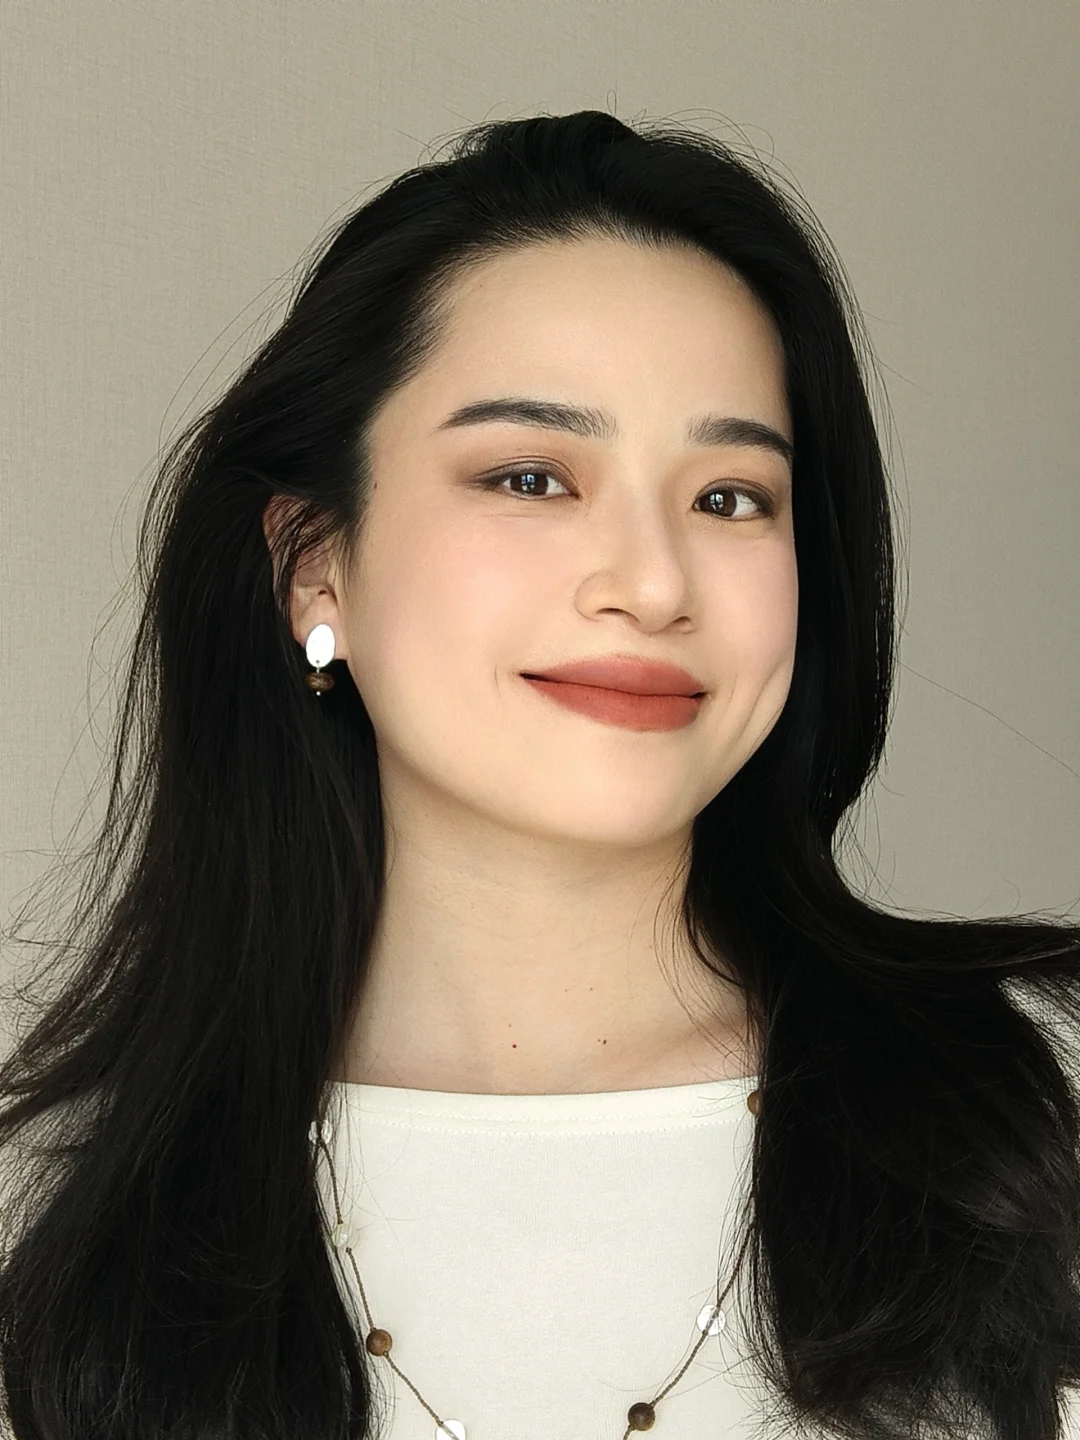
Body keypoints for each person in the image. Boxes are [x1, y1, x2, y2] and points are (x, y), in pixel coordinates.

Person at [1, 109, 1079, 1440]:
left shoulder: (1035, 1111)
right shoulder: (67, 1217)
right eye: (531, 477)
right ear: (315, 563)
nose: (654, 582)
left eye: (731, 496)